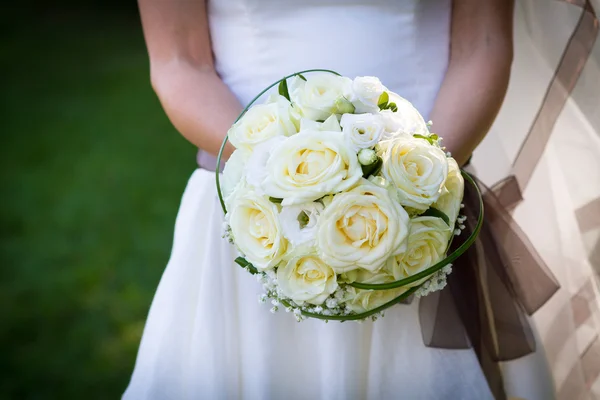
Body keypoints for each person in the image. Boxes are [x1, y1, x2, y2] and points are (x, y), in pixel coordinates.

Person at [124, 0, 600, 398]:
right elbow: (179, 63)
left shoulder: (423, 197)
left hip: (427, 197)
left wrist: (415, 192)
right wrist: (270, 182)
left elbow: (484, 47)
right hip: (253, 212)